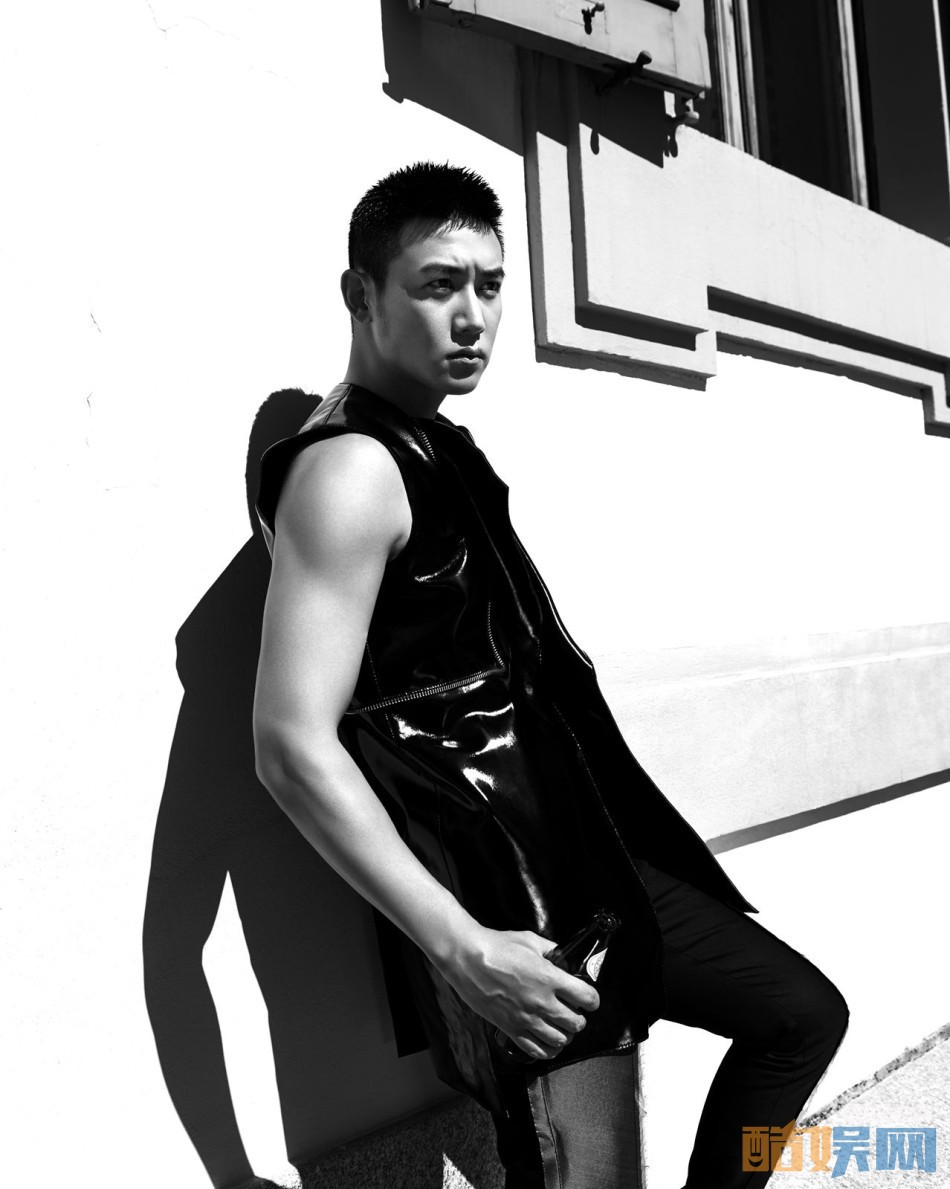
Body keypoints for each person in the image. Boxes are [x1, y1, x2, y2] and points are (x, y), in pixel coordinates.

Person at [252, 162, 849, 1188]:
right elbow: (289, 743)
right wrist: (462, 947)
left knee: (798, 1015)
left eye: (490, 285)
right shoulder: (352, 469)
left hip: (584, 862)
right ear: (361, 294)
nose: (473, 316)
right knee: (588, 1171)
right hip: (510, 908)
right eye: (439, 284)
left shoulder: (434, 448)